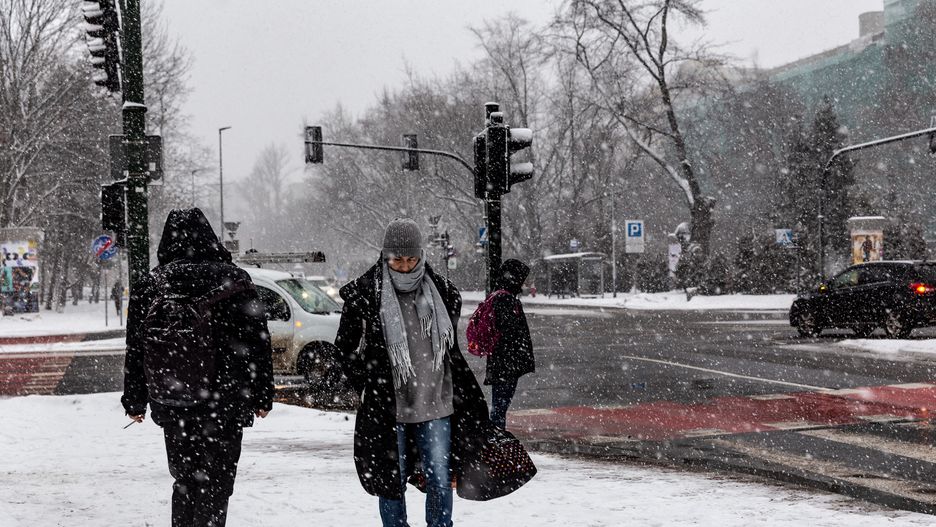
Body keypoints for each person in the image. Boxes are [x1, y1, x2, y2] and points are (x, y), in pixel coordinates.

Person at [121, 208, 274, 527]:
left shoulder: (151, 284)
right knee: (217, 483)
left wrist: (134, 400)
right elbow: (259, 343)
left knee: (185, 480)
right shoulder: (236, 282)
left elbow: (136, 348)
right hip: (226, 401)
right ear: (210, 237)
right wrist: (262, 395)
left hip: (174, 401)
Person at [334, 218, 488, 527]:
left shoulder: (442, 293)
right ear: (385, 256)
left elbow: (451, 352)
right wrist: (367, 385)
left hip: (437, 403)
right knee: (392, 481)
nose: (404, 267)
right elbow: (344, 349)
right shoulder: (366, 296)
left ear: (421, 255)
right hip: (389, 407)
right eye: (397, 260)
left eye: (411, 259)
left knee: (440, 478)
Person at [485, 259, 535, 430]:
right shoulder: (506, 300)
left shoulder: (501, 296)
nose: (523, 282)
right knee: (500, 406)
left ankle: (497, 434)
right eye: (521, 278)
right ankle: (497, 436)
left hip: (502, 362)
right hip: (506, 364)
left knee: (499, 405)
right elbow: (510, 333)